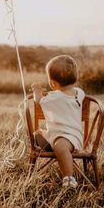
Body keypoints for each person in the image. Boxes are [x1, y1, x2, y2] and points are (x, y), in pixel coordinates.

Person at [31, 55, 85, 188]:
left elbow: (38, 100)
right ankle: (52, 146)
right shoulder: (79, 93)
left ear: (53, 82)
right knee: (38, 133)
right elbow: (63, 95)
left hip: (68, 137)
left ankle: (68, 178)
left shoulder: (53, 98)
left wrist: (36, 91)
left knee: (61, 146)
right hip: (61, 134)